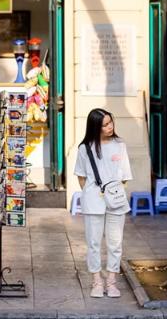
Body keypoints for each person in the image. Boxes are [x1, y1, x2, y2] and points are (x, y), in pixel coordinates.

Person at [73, 108, 133, 298]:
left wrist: (113, 193)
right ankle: (97, 281)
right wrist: (94, 193)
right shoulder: (85, 148)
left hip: (115, 200)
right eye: (105, 124)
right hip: (93, 201)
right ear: (95, 127)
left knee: (115, 243)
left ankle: (112, 282)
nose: (110, 127)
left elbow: (124, 175)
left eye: (110, 122)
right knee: (93, 243)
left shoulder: (119, 144)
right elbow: (81, 178)